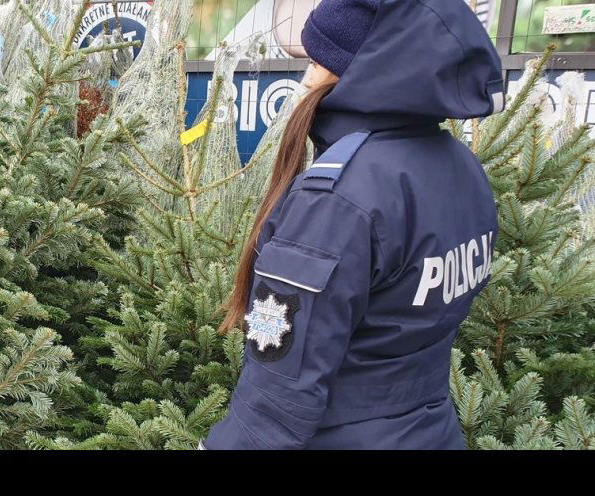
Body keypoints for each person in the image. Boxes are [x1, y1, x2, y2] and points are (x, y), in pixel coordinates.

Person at [200, 0, 505, 450]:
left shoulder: (339, 199)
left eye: (317, 63)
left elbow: (277, 399)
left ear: (362, 69)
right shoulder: (461, 168)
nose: (306, 78)